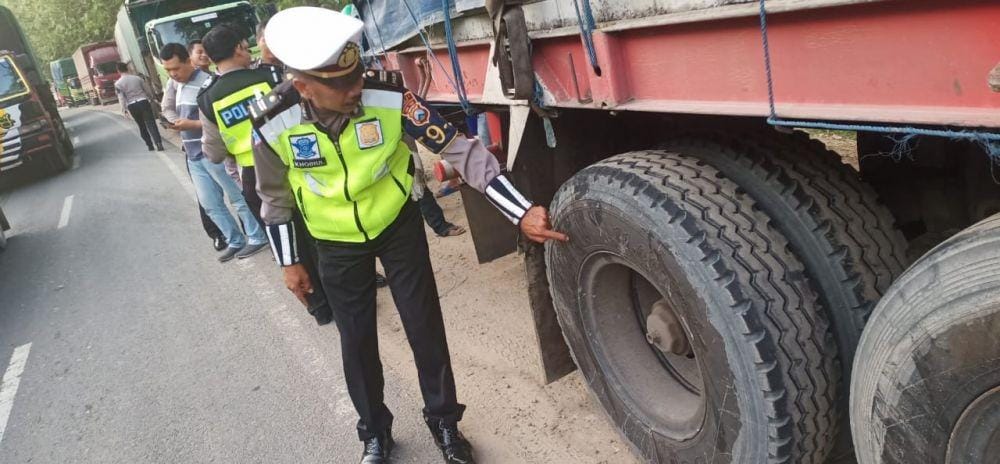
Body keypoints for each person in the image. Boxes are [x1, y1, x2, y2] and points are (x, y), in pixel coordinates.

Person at [251, 8, 567, 463]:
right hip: (334, 243)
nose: (356, 88)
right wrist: (289, 262)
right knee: (356, 341)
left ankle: (445, 423)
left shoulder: (389, 96)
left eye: (356, 75)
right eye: (341, 84)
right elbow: (274, 197)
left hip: (397, 226)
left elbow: (462, 152)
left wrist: (520, 212)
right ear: (302, 86)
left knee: (424, 328)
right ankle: (374, 433)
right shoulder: (272, 120)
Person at [160, 43, 269, 262]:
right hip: (192, 155)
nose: (173, 74)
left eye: (176, 68)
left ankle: (257, 236)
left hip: (211, 151)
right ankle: (234, 240)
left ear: (188, 61)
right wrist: (175, 122)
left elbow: (218, 121)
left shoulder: (207, 84)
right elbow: (167, 108)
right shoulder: (177, 85)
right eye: (168, 70)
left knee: (237, 197)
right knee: (209, 204)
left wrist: (191, 125)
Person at [114, 63, 163, 152]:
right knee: (151, 123)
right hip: (143, 102)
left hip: (132, 105)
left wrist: (124, 109)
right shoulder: (137, 78)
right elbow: (147, 89)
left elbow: (121, 98)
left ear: (118, 71)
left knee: (141, 125)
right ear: (127, 68)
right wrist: (151, 98)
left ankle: (150, 145)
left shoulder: (118, 84)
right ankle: (159, 143)